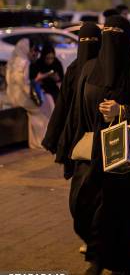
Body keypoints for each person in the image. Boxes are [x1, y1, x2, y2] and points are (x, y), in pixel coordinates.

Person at [62, 16, 130, 275]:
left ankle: (121, 266)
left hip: (122, 156)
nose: (112, 40)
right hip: (91, 151)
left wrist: (123, 111)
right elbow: (76, 110)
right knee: (83, 206)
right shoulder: (90, 68)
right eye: (109, 33)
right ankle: (96, 255)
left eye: (118, 34)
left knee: (121, 213)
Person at [43, 22, 101, 171]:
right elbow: (63, 102)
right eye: (84, 41)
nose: (88, 46)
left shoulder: (105, 69)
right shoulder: (73, 69)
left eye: (92, 41)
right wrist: (53, 135)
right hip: (75, 127)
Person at [6, 39, 53, 149]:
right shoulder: (24, 62)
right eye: (31, 48)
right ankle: (42, 140)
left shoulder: (13, 60)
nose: (32, 51)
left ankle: (35, 141)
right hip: (21, 97)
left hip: (12, 94)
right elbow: (23, 82)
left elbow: (10, 80)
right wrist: (33, 92)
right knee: (42, 108)